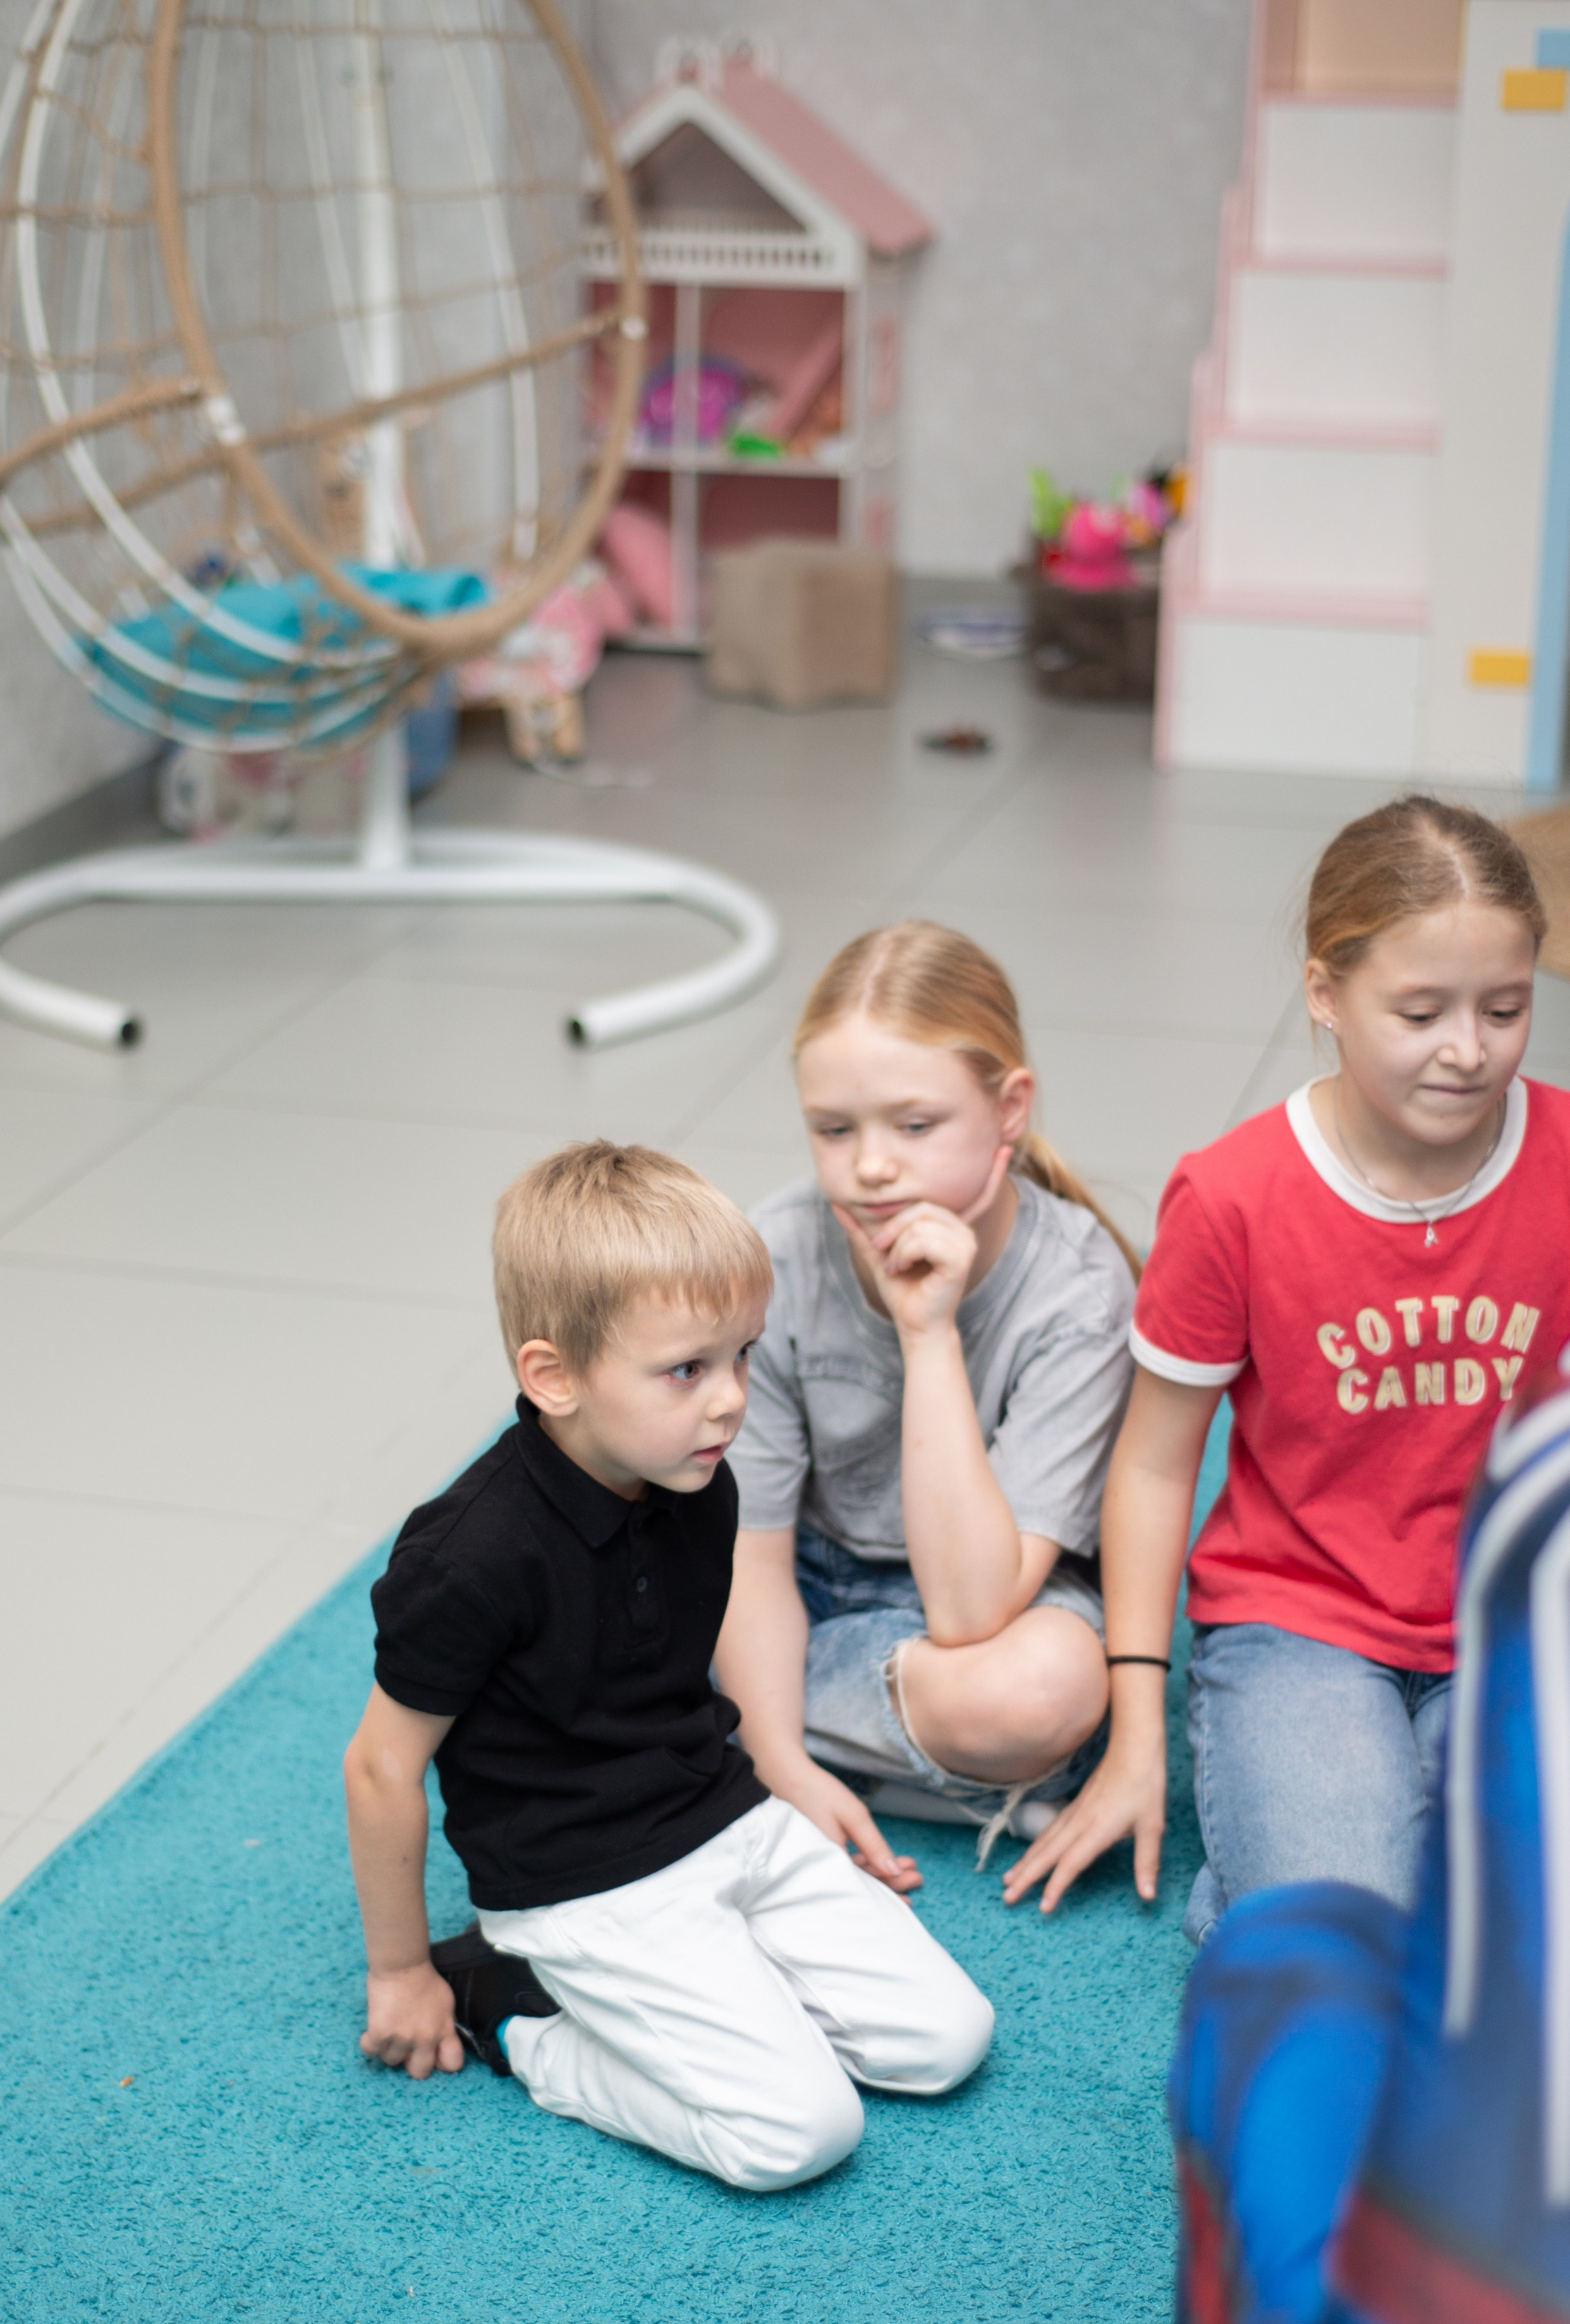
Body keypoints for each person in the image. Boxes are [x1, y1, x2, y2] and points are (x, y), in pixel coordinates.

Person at [343, 1140, 994, 2194]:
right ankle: (510, 2008)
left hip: (718, 1811)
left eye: (744, 1354)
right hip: (580, 1880)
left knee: (949, 2039)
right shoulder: (465, 1558)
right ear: (553, 1377)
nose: (733, 1399)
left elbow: (686, 1675)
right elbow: (379, 1768)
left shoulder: (696, 1473)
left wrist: (786, 1788)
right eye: (688, 1369)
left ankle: (730, 1984)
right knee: (797, 2134)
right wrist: (401, 1970)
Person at [1003, 793, 1570, 1936]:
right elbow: (1157, 1467)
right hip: (1299, 1625)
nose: (1470, 1049)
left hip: (1513, 1619)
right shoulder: (1231, 1196)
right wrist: (1136, 1727)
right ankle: (1290, 1865)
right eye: (1420, 1012)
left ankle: (1287, 1867)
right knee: (1356, 1941)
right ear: (1326, 996)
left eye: (1505, 1010)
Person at [714, 921, 1139, 1884]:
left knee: (1049, 1692)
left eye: (914, 1126)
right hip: (800, 1587)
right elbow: (750, 1556)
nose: (871, 1167)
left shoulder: (1079, 1286)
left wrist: (928, 1332)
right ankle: (825, 1752)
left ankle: (721, 1733)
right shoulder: (774, 1254)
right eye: (834, 1130)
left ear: (1009, 1109)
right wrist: (778, 1767)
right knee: (579, 1603)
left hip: (991, 1602)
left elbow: (969, 1609)